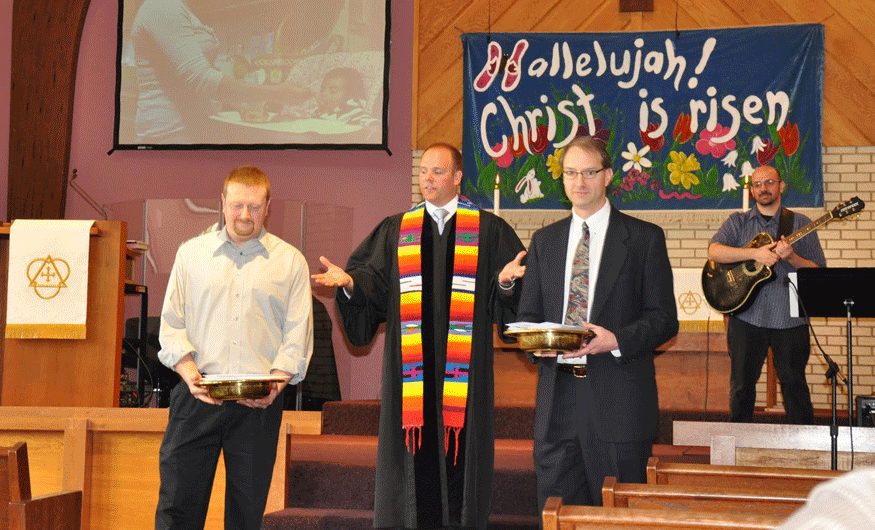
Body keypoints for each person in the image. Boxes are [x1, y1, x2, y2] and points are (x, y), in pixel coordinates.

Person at [311, 142, 527, 529]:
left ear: (458, 177)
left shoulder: (487, 230)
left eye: (437, 172)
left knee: (461, 472)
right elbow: (370, 284)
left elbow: (506, 301)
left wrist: (507, 284)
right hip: (413, 380)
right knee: (415, 480)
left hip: (464, 380)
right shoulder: (399, 230)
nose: (427, 179)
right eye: (423, 171)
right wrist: (349, 286)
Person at [517, 136, 678, 511]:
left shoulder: (643, 239)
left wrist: (616, 339)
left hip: (618, 404)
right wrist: (538, 342)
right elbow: (528, 317)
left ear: (608, 176)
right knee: (560, 516)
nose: (579, 182)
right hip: (557, 407)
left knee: (617, 517)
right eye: (570, 173)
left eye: (589, 172)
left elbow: (664, 320)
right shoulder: (545, 241)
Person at [155, 165, 314, 529]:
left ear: (268, 206)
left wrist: (275, 385)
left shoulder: (290, 262)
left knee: (246, 514)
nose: (245, 215)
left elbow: (297, 334)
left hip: (258, 405)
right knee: (178, 508)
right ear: (223, 202)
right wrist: (189, 373)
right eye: (237, 205)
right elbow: (172, 324)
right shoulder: (191, 254)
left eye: (254, 207)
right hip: (196, 399)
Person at [708, 164, 825, 424]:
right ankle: (738, 446)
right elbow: (714, 251)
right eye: (757, 184)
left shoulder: (800, 223)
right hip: (747, 316)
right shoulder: (738, 222)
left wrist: (792, 257)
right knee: (741, 386)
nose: (763, 188)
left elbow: (818, 269)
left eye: (769, 182)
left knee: (795, 385)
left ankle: (805, 450)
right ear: (752, 190)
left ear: (781, 186)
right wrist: (754, 254)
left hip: (789, 318)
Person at [130, 0, 311, 143]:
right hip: (169, 131)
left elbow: (201, 77)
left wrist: (241, 104)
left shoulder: (187, 9)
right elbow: (202, 78)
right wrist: (275, 93)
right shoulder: (162, 6)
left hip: (196, 127)